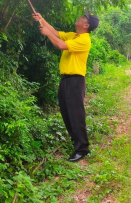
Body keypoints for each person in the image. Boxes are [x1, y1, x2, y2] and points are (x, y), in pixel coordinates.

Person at [32, 9, 99, 162]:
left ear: (86, 25)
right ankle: (77, 142)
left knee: (76, 115)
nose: (80, 17)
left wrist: (47, 34)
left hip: (75, 81)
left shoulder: (84, 40)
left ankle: (82, 149)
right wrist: (41, 19)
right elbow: (56, 33)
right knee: (66, 113)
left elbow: (61, 45)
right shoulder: (74, 36)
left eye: (83, 17)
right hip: (66, 80)